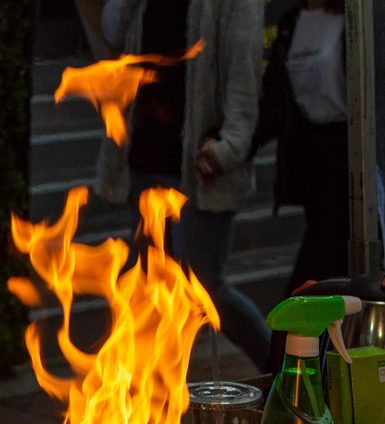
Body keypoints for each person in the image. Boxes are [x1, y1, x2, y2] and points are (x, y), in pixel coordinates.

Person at [98, 0, 271, 372]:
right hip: (147, 156)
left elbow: (244, 76)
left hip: (198, 165)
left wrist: (230, 147)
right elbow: (112, 30)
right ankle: (154, 399)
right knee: (148, 287)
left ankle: (283, 369)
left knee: (204, 284)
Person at [250, 0, 350, 372]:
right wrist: (234, 148)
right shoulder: (293, 21)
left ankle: (292, 377)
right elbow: (276, 99)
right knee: (316, 285)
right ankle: (305, 377)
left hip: (350, 169)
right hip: (314, 170)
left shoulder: (350, 18)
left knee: (311, 286)